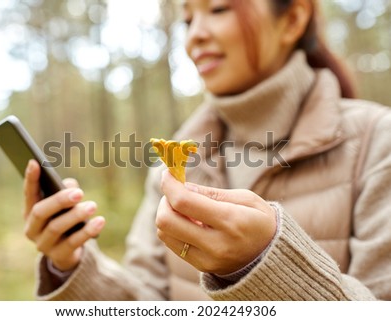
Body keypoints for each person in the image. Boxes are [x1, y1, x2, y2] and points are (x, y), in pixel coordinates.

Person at [23, 0, 391, 300]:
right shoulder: (175, 161)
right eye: (186, 19)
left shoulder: (377, 142)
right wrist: (69, 266)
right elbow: (147, 301)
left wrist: (264, 264)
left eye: (217, 9)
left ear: (292, 19)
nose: (194, 36)